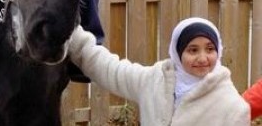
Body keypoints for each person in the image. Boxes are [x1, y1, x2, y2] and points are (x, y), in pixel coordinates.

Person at [69, 17, 250, 125]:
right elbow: (111, 70)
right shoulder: (156, 80)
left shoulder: (233, 108)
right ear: (178, 53)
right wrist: (72, 35)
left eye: (210, 49)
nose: (203, 58)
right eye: (193, 50)